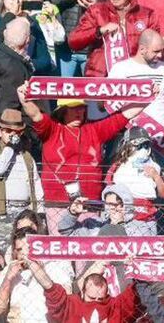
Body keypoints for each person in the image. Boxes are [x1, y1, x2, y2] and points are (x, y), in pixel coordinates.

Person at [18, 84, 142, 231]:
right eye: (73, 107)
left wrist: (147, 97)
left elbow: (124, 116)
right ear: (63, 111)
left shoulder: (94, 130)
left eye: (81, 107)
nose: (79, 111)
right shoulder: (51, 129)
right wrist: (24, 98)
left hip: (91, 204)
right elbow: (35, 115)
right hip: (59, 205)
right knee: (62, 250)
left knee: (90, 248)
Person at [67, 0, 158, 78]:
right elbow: (73, 42)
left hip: (135, 76)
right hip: (101, 76)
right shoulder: (97, 11)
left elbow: (155, 48)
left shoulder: (147, 14)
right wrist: (99, 31)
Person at [0, 107, 42, 242]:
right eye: (8, 131)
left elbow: (35, 182)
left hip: (24, 211)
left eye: (17, 132)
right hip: (1, 212)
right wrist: (10, 146)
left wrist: (39, 210)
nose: (12, 135)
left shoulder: (26, 157)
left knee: (23, 247)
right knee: (2, 249)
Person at [108, 28, 164, 128]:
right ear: (142, 49)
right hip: (129, 130)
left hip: (159, 134)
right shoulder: (120, 68)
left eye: (161, 51)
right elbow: (108, 104)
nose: (160, 55)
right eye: (156, 51)